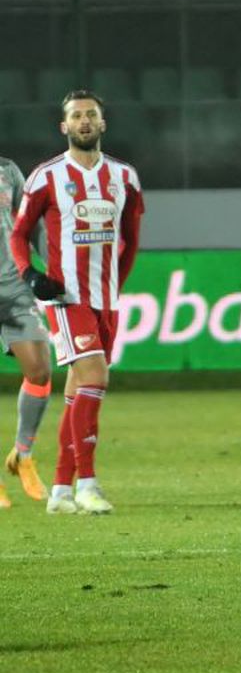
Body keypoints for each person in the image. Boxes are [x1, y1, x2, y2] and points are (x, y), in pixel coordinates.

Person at [9, 90, 144, 515]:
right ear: (63, 127)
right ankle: (88, 483)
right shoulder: (46, 177)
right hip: (66, 297)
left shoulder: (124, 177)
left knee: (77, 392)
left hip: (106, 299)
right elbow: (17, 234)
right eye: (76, 116)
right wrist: (32, 274)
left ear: (102, 124)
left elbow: (131, 240)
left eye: (91, 115)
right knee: (96, 377)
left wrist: (115, 285)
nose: (84, 121)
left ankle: (61, 491)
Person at [0, 156, 52, 509]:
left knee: (40, 370)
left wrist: (47, 264)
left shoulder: (7, 169)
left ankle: (23, 453)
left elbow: (27, 223)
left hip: (13, 288)